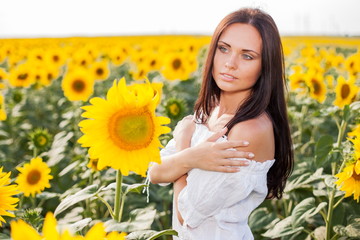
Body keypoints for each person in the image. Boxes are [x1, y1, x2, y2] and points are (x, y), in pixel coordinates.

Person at [149, 7, 294, 240]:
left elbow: (187, 215)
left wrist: (185, 147)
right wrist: (190, 158)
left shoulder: (248, 130)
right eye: (224, 49)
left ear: (266, 65)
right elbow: (155, 172)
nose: (230, 63)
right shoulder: (210, 110)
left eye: (247, 56)